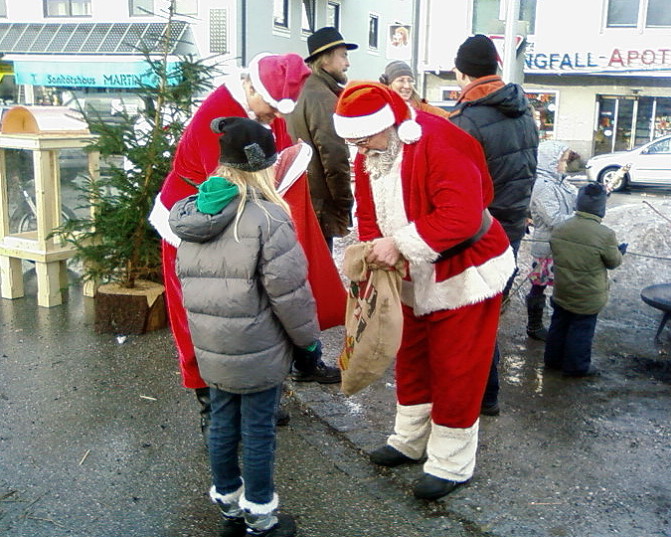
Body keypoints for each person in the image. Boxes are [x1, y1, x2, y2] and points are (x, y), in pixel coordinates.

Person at [149, 53, 343, 445]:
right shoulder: (217, 115)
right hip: (195, 224)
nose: (275, 115)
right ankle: (211, 407)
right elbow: (226, 187)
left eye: (279, 109)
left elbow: (278, 161)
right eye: (271, 106)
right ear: (251, 86)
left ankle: (263, 393)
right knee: (203, 320)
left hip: (244, 222)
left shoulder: (263, 112)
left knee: (260, 312)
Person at [332, 82, 515, 500]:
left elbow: (462, 215)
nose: (359, 150)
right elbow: (371, 212)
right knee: (411, 357)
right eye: (353, 142)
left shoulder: (440, 141)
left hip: (464, 273)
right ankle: (410, 439)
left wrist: (399, 245)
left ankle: (451, 462)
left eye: (363, 140)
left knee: (457, 367)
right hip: (411, 274)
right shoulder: (371, 152)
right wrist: (378, 251)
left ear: (388, 125)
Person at [169, 117, 320, 537]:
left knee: (221, 423)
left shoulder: (194, 213)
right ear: (263, 166)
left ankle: (229, 509)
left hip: (212, 345)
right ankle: (260, 517)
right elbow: (290, 296)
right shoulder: (268, 219)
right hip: (257, 348)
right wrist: (309, 345)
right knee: (257, 430)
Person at [450, 34, 539, 415]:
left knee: (470, 313)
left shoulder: (467, 121)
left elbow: (456, 190)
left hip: (480, 229)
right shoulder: (524, 111)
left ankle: (482, 394)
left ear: (462, 72)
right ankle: (486, 394)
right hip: (512, 226)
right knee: (490, 307)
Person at [286, 26, 357, 253]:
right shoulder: (322, 96)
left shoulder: (302, 90)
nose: (347, 63)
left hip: (301, 197)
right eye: (343, 56)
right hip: (319, 204)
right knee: (320, 270)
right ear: (325, 60)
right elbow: (334, 157)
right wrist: (345, 202)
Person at [545, 182, 625, 377]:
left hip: (563, 289)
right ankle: (576, 367)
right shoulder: (605, 234)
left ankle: (552, 360)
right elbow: (613, 262)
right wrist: (620, 252)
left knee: (559, 324)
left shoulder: (561, 227)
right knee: (581, 330)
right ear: (601, 209)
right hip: (587, 296)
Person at [526, 141, 578, 341]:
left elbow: (576, 200)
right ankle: (535, 325)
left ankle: (558, 325)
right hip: (546, 247)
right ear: (550, 161)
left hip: (562, 244)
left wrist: (593, 196)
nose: (565, 165)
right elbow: (554, 219)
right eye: (563, 161)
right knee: (539, 285)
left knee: (561, 286)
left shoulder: (560, 182)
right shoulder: (542, 186)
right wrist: (580, 218)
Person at [378, 60, 450, 118]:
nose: (407, 86)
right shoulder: (379, 111)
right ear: (387, 84)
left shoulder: (426, 110)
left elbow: (452, 122)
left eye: (410, 81)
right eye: (401, 80)